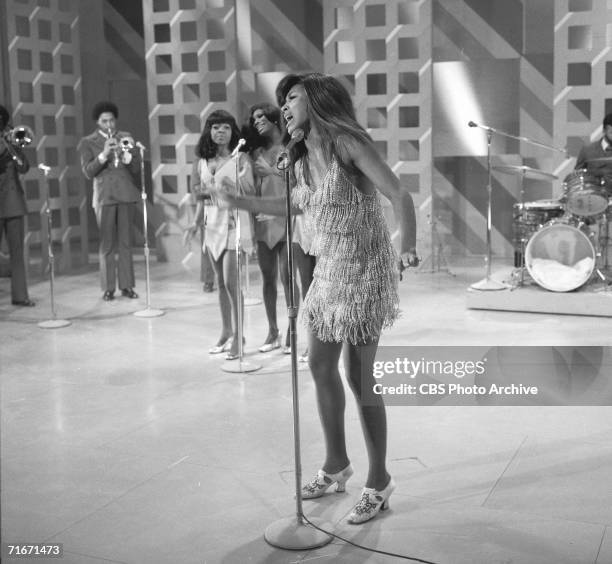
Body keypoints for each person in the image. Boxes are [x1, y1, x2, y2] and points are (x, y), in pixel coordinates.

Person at [215, 73, 418, 524]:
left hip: (366, 268)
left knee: (359, 375)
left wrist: (407, 247)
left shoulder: (347, 143)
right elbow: (300, 208)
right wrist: (243, 204)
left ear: (317, 100)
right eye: (281, 100)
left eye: (291, 98)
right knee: (318, 363)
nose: (283, 107)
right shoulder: (301, 155)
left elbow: (399, 193)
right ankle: (335, 464)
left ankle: (380, 480)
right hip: (328, 268)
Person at [187, 110, 255, 361]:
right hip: (211, 224)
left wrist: (235, 185)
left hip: (235, 223)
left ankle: (239, 335)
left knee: (231, 281)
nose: (220, 132)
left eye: (225, 127)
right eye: (215, 127)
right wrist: (194, 223)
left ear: (232, 131)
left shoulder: (241, 157)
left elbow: (249, 190)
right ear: (209, 131)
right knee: (220, 282)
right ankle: (226, 330)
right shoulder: (202, 161)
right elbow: (199, 196)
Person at [78, 101, 140, 302]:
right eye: (104, 121)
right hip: (104, 197)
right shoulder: (88, 142)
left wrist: (127, 156)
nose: (109, 124)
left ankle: (127, 286)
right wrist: (104, 154)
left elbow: (136, 169)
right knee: (106, 245)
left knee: (125, 243)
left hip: (125, 194)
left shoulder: (126, 137)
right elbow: (88, 172)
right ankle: (108, 288)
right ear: (97, 122)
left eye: (112, 120)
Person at [248, 103, 296, 353]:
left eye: (260, 116)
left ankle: (292, 332)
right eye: (254, 118)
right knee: (267, 279)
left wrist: (271, 171)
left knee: (287, 278)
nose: (256, 121)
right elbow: (252, 187)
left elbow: (297, 182)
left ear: (274, 118)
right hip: (262, 221)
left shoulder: (290, 147)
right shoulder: (255, 152)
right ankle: (272, 332)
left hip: (286, 219)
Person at [0, 105, 34, 307]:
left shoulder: (10, 140)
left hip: (13, 203)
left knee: (17, 252)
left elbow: (24, 167)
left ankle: (20, 296)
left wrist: (14, 147)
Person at [575, 113, 612, 183]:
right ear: (604, 131)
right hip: (593, 192)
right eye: (611, 133)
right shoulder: (587, 150)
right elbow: (577, 176)